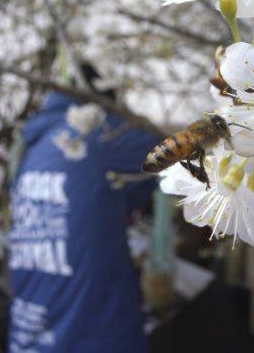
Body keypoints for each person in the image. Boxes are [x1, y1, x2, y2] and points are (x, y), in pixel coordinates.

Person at [8, 65, 158, 353]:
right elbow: (173, 151)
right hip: (92, 334)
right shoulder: (98, 133)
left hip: (29, 328)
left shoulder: (33, 146)